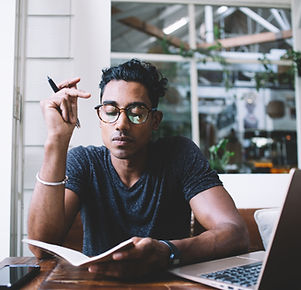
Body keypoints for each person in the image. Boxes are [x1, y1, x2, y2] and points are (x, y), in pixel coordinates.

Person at [28, 59, 249, 279]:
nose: (121, 124)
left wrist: (166, 251)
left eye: (136, 112)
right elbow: (40, 248)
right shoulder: (85, 162)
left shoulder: (179, 155)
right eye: (111, 110)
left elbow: (236, 233)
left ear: (155, 120)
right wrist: (56, 139)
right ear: (100, 117)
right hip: (98, 285)